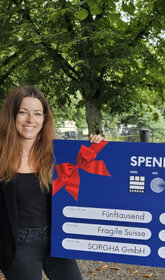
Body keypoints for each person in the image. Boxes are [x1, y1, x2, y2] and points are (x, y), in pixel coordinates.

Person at [0, 85, 103, 280]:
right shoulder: (1, 156)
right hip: (18, 244)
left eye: (38, 114)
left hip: (57, 239)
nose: (31, 120)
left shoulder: (59, 154)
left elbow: (97, 174)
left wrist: (98, 146)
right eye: (23, 112)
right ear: (11, 115)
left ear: (44, 119)